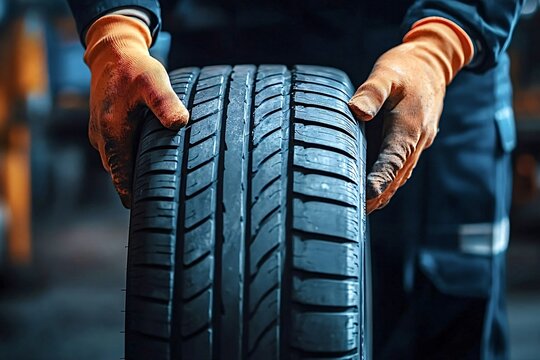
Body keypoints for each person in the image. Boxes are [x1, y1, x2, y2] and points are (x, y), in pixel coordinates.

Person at [66, 1, 523, 358]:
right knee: (212, 305)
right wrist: (115, 23)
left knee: (447, 309)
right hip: (232, 43)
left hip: (428, 49)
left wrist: (442, 41)